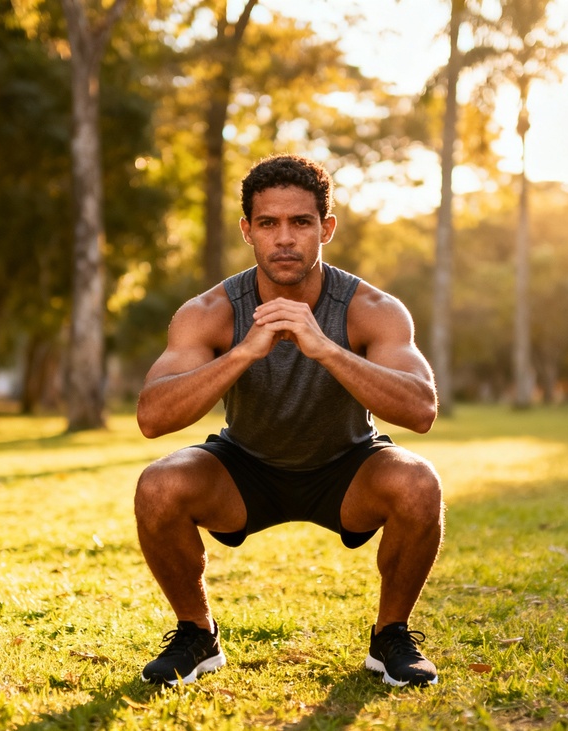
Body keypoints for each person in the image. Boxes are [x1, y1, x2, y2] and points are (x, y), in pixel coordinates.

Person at [134, 154, 444, 687]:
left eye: (300, 222)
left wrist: (325, 349)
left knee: (418, 483)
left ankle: (390, 635)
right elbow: (152, 417)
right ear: (247, 230)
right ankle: (196, 636)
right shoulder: (210, 312)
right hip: (245, 467)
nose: (284, 238)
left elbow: (421, 410)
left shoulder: (371, 307)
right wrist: (241, 354)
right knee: (159, 486)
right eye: (268, 223)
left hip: (347, 466)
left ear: (325, 229)